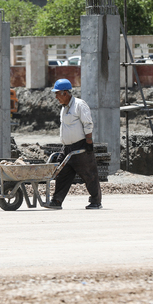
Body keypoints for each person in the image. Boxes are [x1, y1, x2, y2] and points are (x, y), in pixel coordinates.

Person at [48, 79, 102, 210]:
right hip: (67, 148)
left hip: (80, 147)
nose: (56, 97)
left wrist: (89, 142)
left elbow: (88, 124)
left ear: (65, 93)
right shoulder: (64, 108)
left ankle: (96, 201)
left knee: (89, 174)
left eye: (58, 94)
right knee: (62, 174)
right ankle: (57, 200)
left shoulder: (79, 105)